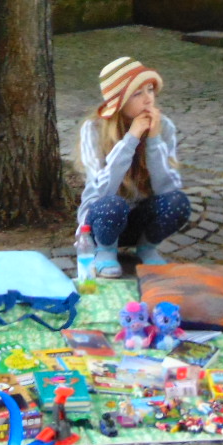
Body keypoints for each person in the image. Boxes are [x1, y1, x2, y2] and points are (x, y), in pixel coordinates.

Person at [77, 56, 190, 279]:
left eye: (150, 90)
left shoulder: (164, 126)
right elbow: (101, 192)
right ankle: (105, 251)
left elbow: (167, 189)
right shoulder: (93, 129)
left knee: (179, 202)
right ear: (120, 102)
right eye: (137, 94)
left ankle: (147, 247)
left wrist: (154, 139)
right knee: (112, 204)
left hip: (140, 219)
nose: (149, 100)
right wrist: (131, 138)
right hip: (103, 220)